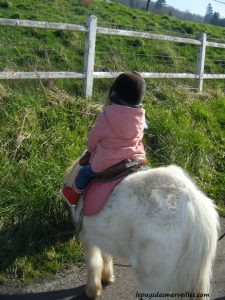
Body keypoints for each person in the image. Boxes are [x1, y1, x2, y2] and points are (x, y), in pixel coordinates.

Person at [62, 71, 147, 206]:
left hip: (108, 161)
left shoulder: (107, 116)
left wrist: (90, 150)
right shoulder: (140, 117)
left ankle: (73, 195)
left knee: (84, 173)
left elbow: (94, 139)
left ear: (114, 94)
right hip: (134, 157)